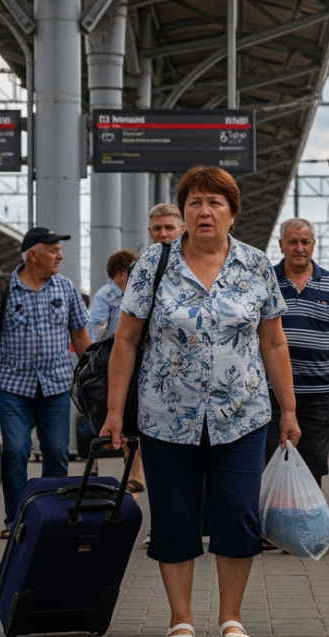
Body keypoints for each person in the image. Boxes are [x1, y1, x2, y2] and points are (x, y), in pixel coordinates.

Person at [101, 165, 298, 637]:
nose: (203, 211)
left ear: (233, 213)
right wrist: (112, 411)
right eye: (194, 202)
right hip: (167, 414)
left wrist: (289, 409)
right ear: (183, 212)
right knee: (174, 516)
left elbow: (273, 343)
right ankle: (181, 619)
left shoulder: (255, 266)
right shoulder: (155, 263)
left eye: (215, 203)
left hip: (242, 413)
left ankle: (231, 618)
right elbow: (125, 339)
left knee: (236, 515)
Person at [0, 228, 91, 538]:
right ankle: (16, 519)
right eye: (54, 250)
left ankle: (50, 516)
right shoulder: (1, 288)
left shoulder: (66, 288)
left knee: (57, 452)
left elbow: (80, 335)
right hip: (12, 386)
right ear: (33, 254)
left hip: (56, 384)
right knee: (16, 452)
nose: (60, 255)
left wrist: (94, 379)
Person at [266, 218, 329, 485]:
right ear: (281, 245)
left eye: (305, 242)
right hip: (272, 391)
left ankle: (307, 522)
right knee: (271, 461)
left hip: (318, 392)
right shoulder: (267, 280)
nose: (299, 248)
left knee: (312, 465)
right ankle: (270, 522)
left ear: (313, 245)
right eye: (293, 242)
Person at [128, 202, 186, 501]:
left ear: (182, 229)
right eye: (158, 229)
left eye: (169, 228)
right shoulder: (144, 269)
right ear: (150, 233)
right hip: (156, 384)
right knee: (163, 465)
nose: (164, 234)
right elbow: (127, 335)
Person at [87, 249, 138, 342]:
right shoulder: (104, 296)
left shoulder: (134, 294)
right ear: (119, 273)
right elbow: (96, 329)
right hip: (109, 351)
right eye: (131, 272)